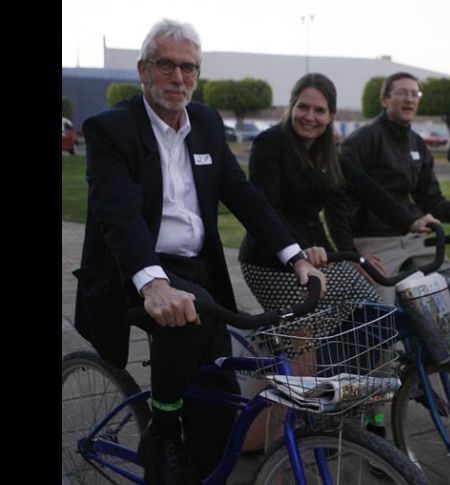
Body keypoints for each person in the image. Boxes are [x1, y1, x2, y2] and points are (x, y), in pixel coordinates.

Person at [72, 19, 326, 485]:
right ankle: (163, 431)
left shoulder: (206, 122)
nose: (178, 77)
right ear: (143, 69)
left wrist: (296, 257)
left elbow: (244, 195)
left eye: (188, 68)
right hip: (137, 269)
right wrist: (154, 285)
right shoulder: (111, 129)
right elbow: (118, 213)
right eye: (166, 64)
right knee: (184, 322)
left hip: (198, 271)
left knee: (217, 395)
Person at [238, 72, 426, 446]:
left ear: (330, 115)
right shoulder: (270, 145)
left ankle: (323, 389)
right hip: (270, 260)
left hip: (314, 255)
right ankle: (299, 422)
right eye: (303, 107)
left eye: (319, 110)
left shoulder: (326, 153)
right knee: (303, 338)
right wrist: (297, 249)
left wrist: (412, 220)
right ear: (291, 107)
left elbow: (368, 191)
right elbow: (267, 210)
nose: (310, 116)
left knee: (374, 310)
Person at [326, 71, 450, 304]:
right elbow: (337, 201)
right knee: (383, 317)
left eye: (415, 94)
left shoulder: (417, 144)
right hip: (374, 241)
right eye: (402, 93)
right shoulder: (363, 140)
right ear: (384, 100)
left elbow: (433, 201)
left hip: (413, 239)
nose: (410, 99)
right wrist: (350, 253)